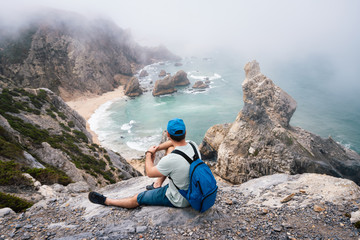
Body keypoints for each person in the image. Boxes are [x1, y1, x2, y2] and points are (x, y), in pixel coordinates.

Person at [88, 118, 201, 209]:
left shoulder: (171, 160)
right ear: (185, 132)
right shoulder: (193, 144)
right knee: (171, 149)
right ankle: (157, 184)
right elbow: (172, 144)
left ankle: (107, 201)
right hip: (196, 191)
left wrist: (148, 154)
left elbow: (150, 172)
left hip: (180, 199)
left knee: (138, 198)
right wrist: (156, 149)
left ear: (168, 135)